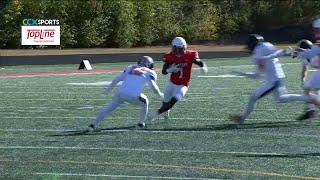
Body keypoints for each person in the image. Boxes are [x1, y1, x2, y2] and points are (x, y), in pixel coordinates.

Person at [231, 34, 320, 124]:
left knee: (253, 97)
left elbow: (257, 74)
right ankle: (311, 99)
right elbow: (280, 53)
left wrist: (241, 73)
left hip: (273, 80)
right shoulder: (265, 46)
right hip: (275, 77)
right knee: (281, 98)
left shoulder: (259, 50)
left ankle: (242, 118)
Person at [87, 56, 163, 131]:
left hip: (120, 93)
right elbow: (153, 86)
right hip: (133, 95)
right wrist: (159, 94)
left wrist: (108, 90)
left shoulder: (130, 67)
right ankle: (140, 123)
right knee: (145, 102)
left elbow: (117, 79)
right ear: (149, 64)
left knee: (107, 109)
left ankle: (93, 124)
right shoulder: (150, 72)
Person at [148, 37, 208, 120]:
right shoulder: (169, 56)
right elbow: (163, 72)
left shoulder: (190, 55)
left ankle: (155, 114)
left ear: (184, 47)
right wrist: (170, 70)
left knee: (172, 101)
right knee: (165, 102)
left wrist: (203, 66)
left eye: (179, 48)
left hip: (183, 85)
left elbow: (198, 61)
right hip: (171, 83)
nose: (177, 51)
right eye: (175, 48)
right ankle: (165, 111)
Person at [295, 40, 319, 120]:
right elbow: (304, 69)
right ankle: (311, 109)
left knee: (310, 90)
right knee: (308, 90)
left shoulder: (314, 52)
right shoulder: (305, 57)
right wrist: (302, 80)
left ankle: (312, 110)